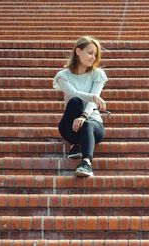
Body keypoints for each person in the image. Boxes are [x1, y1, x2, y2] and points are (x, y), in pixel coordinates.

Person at [53, 36, 108, 177]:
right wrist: (94, 97)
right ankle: (74, 143)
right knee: (75, 101)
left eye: (95, 55)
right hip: (70, 127)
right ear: (78, 51)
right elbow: (72, 93)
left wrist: (84, 116)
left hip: (92, 124)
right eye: (90, 53)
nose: (93, 57)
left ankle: (86, 163)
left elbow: (91, 103)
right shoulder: (63, 75)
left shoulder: (98, 74)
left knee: (88, 124)